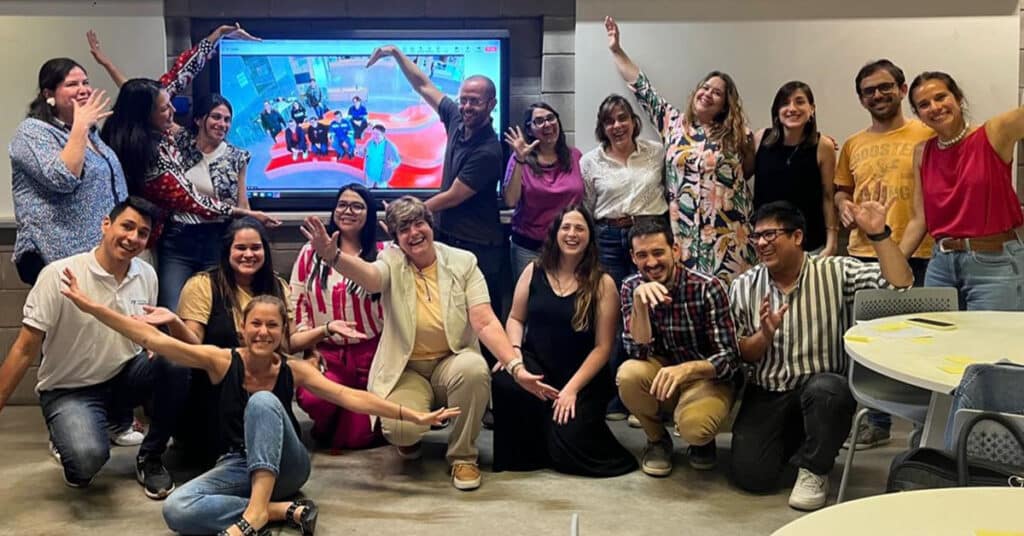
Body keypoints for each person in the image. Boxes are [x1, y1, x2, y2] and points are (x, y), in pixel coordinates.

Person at [59, 276, 457, 536]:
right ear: (244, 328)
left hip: (289, 465)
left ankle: (254, 514)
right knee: (177, 510)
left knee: (264, 401)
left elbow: (352, 397)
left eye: (272, 325)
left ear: (284, 330)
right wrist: (91, 307)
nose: (263, 331)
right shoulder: (221, 360)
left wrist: (413, 415)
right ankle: (280, 510)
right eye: (256, 324)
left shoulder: (295, 369)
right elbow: (162, 342)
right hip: (237, 465)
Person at [300, 196, 557, 491]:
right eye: (404, 229)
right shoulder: (391, 261)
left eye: (419, 223)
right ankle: (409, 440)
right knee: (399, 429)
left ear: (430, 225)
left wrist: (515, 367)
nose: (414, 233)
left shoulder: (463, 262)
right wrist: (334, 258)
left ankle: (463, 456)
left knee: (474, 368)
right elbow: (371, 278)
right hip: (408, 369)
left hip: (452, 361)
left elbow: (484, 320)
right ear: (396, 238)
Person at [729, 200, 913, 511]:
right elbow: (743, 354)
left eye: (770, 235)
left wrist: (879, 235)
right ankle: (806, 443)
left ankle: (815, 468)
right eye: (756, 237)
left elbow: (900, 283)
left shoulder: (835, 271)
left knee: (828, 390)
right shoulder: (744, 286)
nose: (761, 243)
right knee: (753, 477)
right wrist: (764, 334)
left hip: (821, 389)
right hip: (768, 391)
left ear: (797, 237)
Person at [0, 197, 187, 499]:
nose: (133, 238)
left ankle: (150, 457)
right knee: (86, 462)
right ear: (105, 224)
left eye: (142, 233)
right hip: (70, 389)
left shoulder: (146, 274)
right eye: (127, 226)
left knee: (175, 362)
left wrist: (155, 349)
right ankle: (69, 432)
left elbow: (145, 332)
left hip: (123, 379)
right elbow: (23, 349)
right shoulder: (60, 275)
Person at [99, 23, 279, 310]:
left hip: (213, 237)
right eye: (164, 109)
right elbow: (190, 199)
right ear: (200, 121)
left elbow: (179, 74)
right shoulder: (154, 150)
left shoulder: (233, 154)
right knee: (169, 310)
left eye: (226, 119)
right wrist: (244, 212)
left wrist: (217, 35)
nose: (172, 111)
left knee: (216, 310)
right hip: (170, 237)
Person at [605, 16, 756, 284]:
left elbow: (750, 169)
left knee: (728, 307)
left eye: (717, 93)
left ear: (725, 105)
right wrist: (617, 50)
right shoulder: (673, 123)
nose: (708, 94)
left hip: (728, 236)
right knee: (686, 302)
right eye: (705, 87)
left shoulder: (738, 135)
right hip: (683, 237)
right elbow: (642, 88)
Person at [834, 59, 935, 450]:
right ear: (860, 99)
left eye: (884, 87)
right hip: (862, 256)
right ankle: (874, 422)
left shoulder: (926, 134)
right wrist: (843, 204)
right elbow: (842, 189)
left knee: (919, 344)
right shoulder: (854, 144)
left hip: (920, 256)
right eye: (868, 91)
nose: (877, 95)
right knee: (868, 343)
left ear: (902, 87)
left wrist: (900, 259)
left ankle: (918, 425)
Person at [493, 205, 637, 476]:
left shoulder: (603, 283)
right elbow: (515, 318)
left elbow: (604, 347)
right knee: (504, 380)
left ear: (590, 238)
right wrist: (514, 354)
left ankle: (554, 433)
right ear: (555, 234)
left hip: (582, 377)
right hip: (539, 366)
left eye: (580, 228)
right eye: (566, 227)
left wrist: (571, 390)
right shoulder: (533, 270)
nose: (572, 234)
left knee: (567, 445)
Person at [367, 45, 506, 317]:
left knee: (477, 317)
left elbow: (454, 195)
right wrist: (395, 53)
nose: (467, 106)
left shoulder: (489, 149)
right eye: (464, 99)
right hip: (448, 236)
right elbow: (423, 85)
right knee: (446, 313)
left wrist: (408, 212)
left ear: (491, 104)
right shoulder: (456, 118)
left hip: (476, 246)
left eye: (475, 101)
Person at [617, 219, 741, 476]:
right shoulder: (630, 286)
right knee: (628, 375)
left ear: (675, 251)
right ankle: (657, 440)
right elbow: (636, 351)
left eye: (658, 252)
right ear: (632, 257)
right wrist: (640, 304)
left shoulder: (707, 286)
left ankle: (702, 442)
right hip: (662, 375)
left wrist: (686, 370)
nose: (651, 263)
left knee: (696, 428)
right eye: (642, 255)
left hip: (705, 377)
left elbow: (730, 359)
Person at [171, 217, 291, 466]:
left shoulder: (278, 286)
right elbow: (193, 345)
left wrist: (321, 338)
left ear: (265, 252)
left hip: (263, 388)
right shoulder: (202, 284)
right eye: (241, 248)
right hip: (215, 393)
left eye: (255, 248)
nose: (249, 254)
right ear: (227, 251)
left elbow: (287, 345)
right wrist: (173, 322)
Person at [901, 71, 1024, 311]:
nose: (934, 107)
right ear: (918, 115)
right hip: (940, 265)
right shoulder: (922, 152)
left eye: (941, 97)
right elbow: (919, 219)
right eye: (924, 105)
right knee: (938, 343)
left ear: (958, 99)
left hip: (995, 265)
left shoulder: (992, 134)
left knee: (991, 345)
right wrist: (890, 265)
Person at [580, 93, 668, 420]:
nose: (617, 126)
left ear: (633, 121)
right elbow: (589, 204)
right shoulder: (590, 161)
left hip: (649, 234)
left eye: (622, 118)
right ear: (603, 127)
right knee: (614, 314)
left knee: (652, 310)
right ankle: (620, 395)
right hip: (609, 238)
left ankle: (647, 394)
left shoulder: (656, 152)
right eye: (609, 121)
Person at [9, 57, 126, 285]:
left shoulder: (92, 134)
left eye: (85, 82)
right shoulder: (32, 132)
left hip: (99, 254)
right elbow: (63, 178)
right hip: (57, 256)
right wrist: (81, 126)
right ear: (48, 94)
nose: (83, 90)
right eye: (72, 84)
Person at [289, 184, 386, 450]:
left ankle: (348, 422)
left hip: (372, 353)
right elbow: (298, 302)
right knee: (313, 399)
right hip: (327, 352)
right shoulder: (311, 252)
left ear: (370, 213)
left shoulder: (383, 252)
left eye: (357, 206)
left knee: (354, 439)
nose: (348, 211)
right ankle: (335, 418)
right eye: (342, 205)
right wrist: (309, 350)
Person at [753, 81, 839, 256]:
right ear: (777, 111)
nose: (792, 108)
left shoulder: (824, 146)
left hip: (810, 244)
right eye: (785, 103)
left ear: (812, 109)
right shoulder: (760, 138)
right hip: (764, 244)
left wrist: (832, 243)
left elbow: (828, 197)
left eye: (799, 102)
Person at [503, 102, 585, 277]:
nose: (547, 124)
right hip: (530, 248)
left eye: (550, 118)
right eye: (539, 121)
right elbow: (510, 200)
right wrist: (519, 160)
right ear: (530, 130)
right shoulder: (520, 159)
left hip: (569, 246)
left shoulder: (575, 156)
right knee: (530, 300)